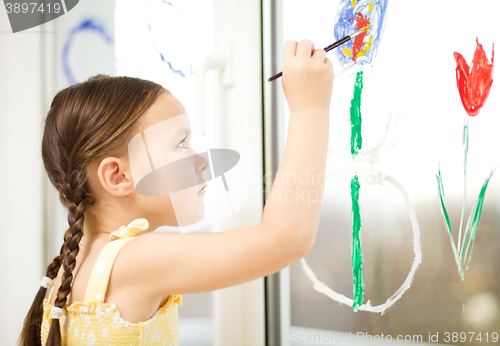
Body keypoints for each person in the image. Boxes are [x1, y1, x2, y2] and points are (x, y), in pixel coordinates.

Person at [18, 39, 333, 346]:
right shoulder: (134, 259)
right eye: (181, 143)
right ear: (118, 176)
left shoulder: (72, 266)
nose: (201, 161)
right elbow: (285, 239)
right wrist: (309, 108)